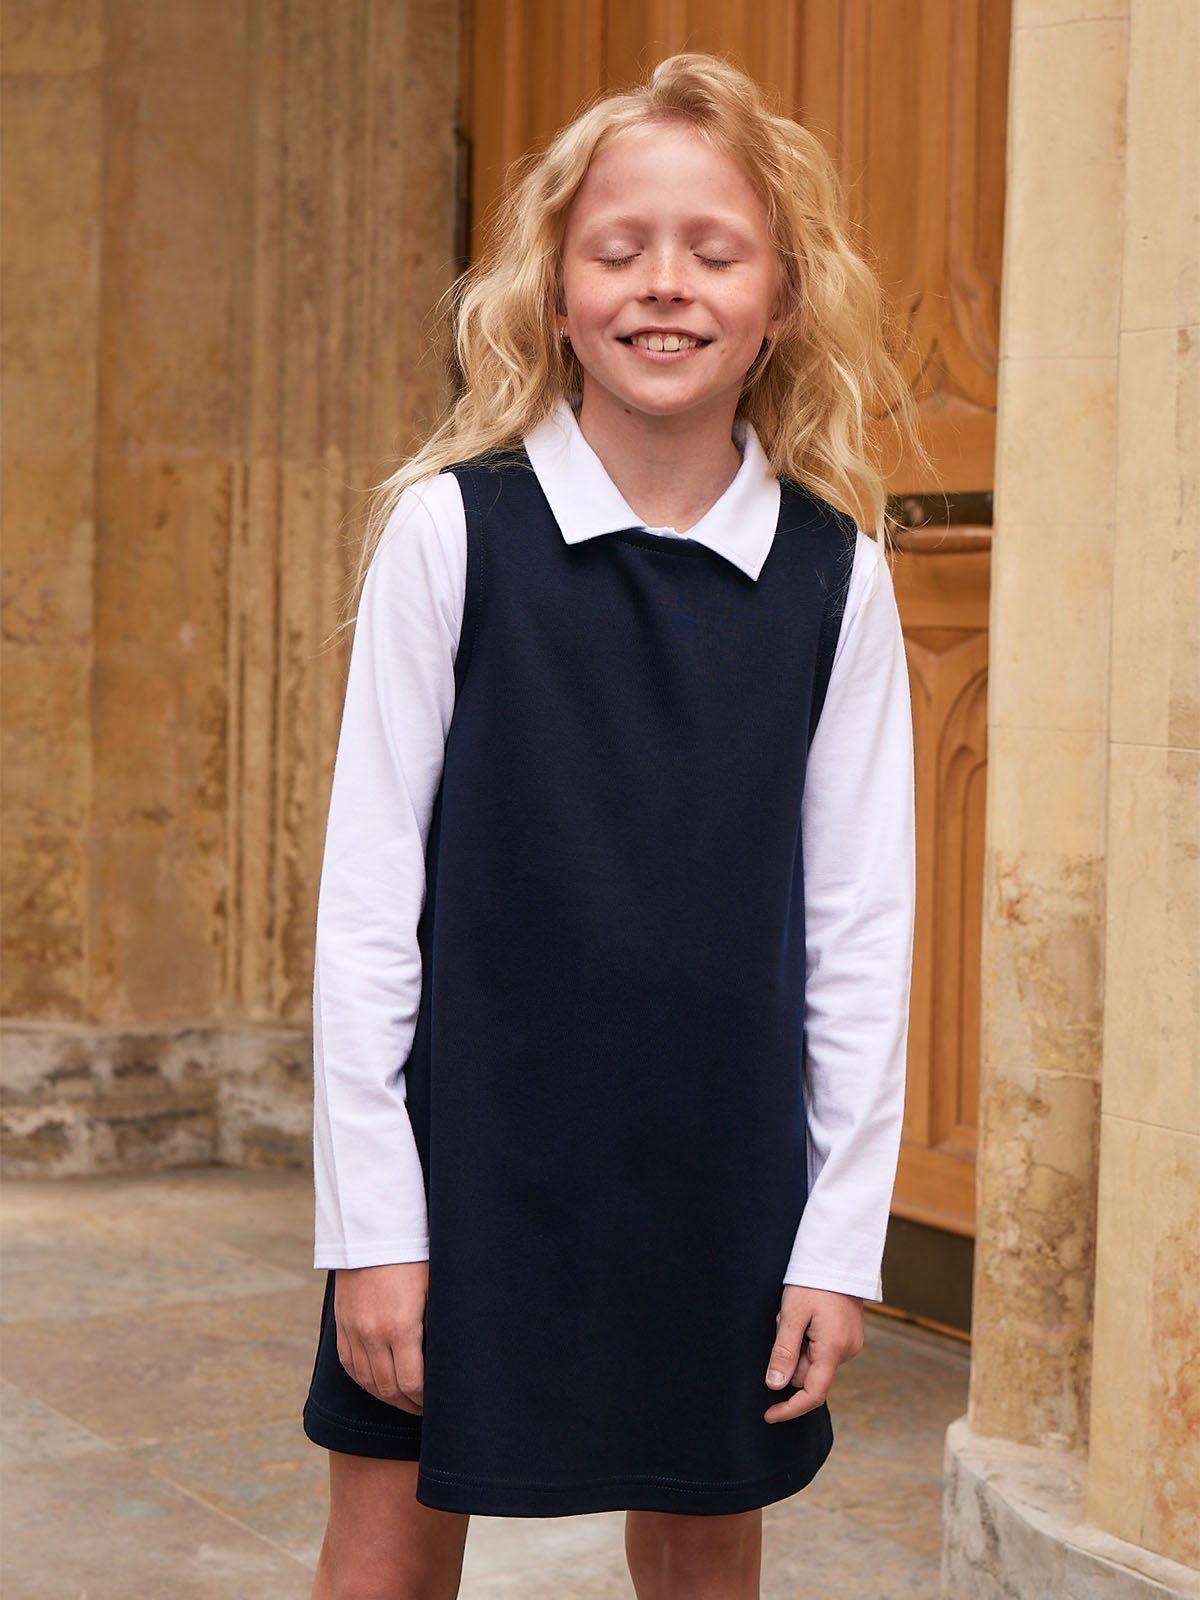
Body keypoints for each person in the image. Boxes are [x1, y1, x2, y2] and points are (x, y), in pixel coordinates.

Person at [302, 52, 924, 1600]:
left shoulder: (836, 577)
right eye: (618, 248)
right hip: (466, 1163)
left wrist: (836, 1240)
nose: (665, 285)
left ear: (781, 300)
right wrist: (373, 1227)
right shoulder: (452, 532)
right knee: (385, 1557)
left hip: (720, 1173)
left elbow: (861, 925)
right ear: (555, 289)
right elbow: (368, 906)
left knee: (705, 1557)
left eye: (715, 252)